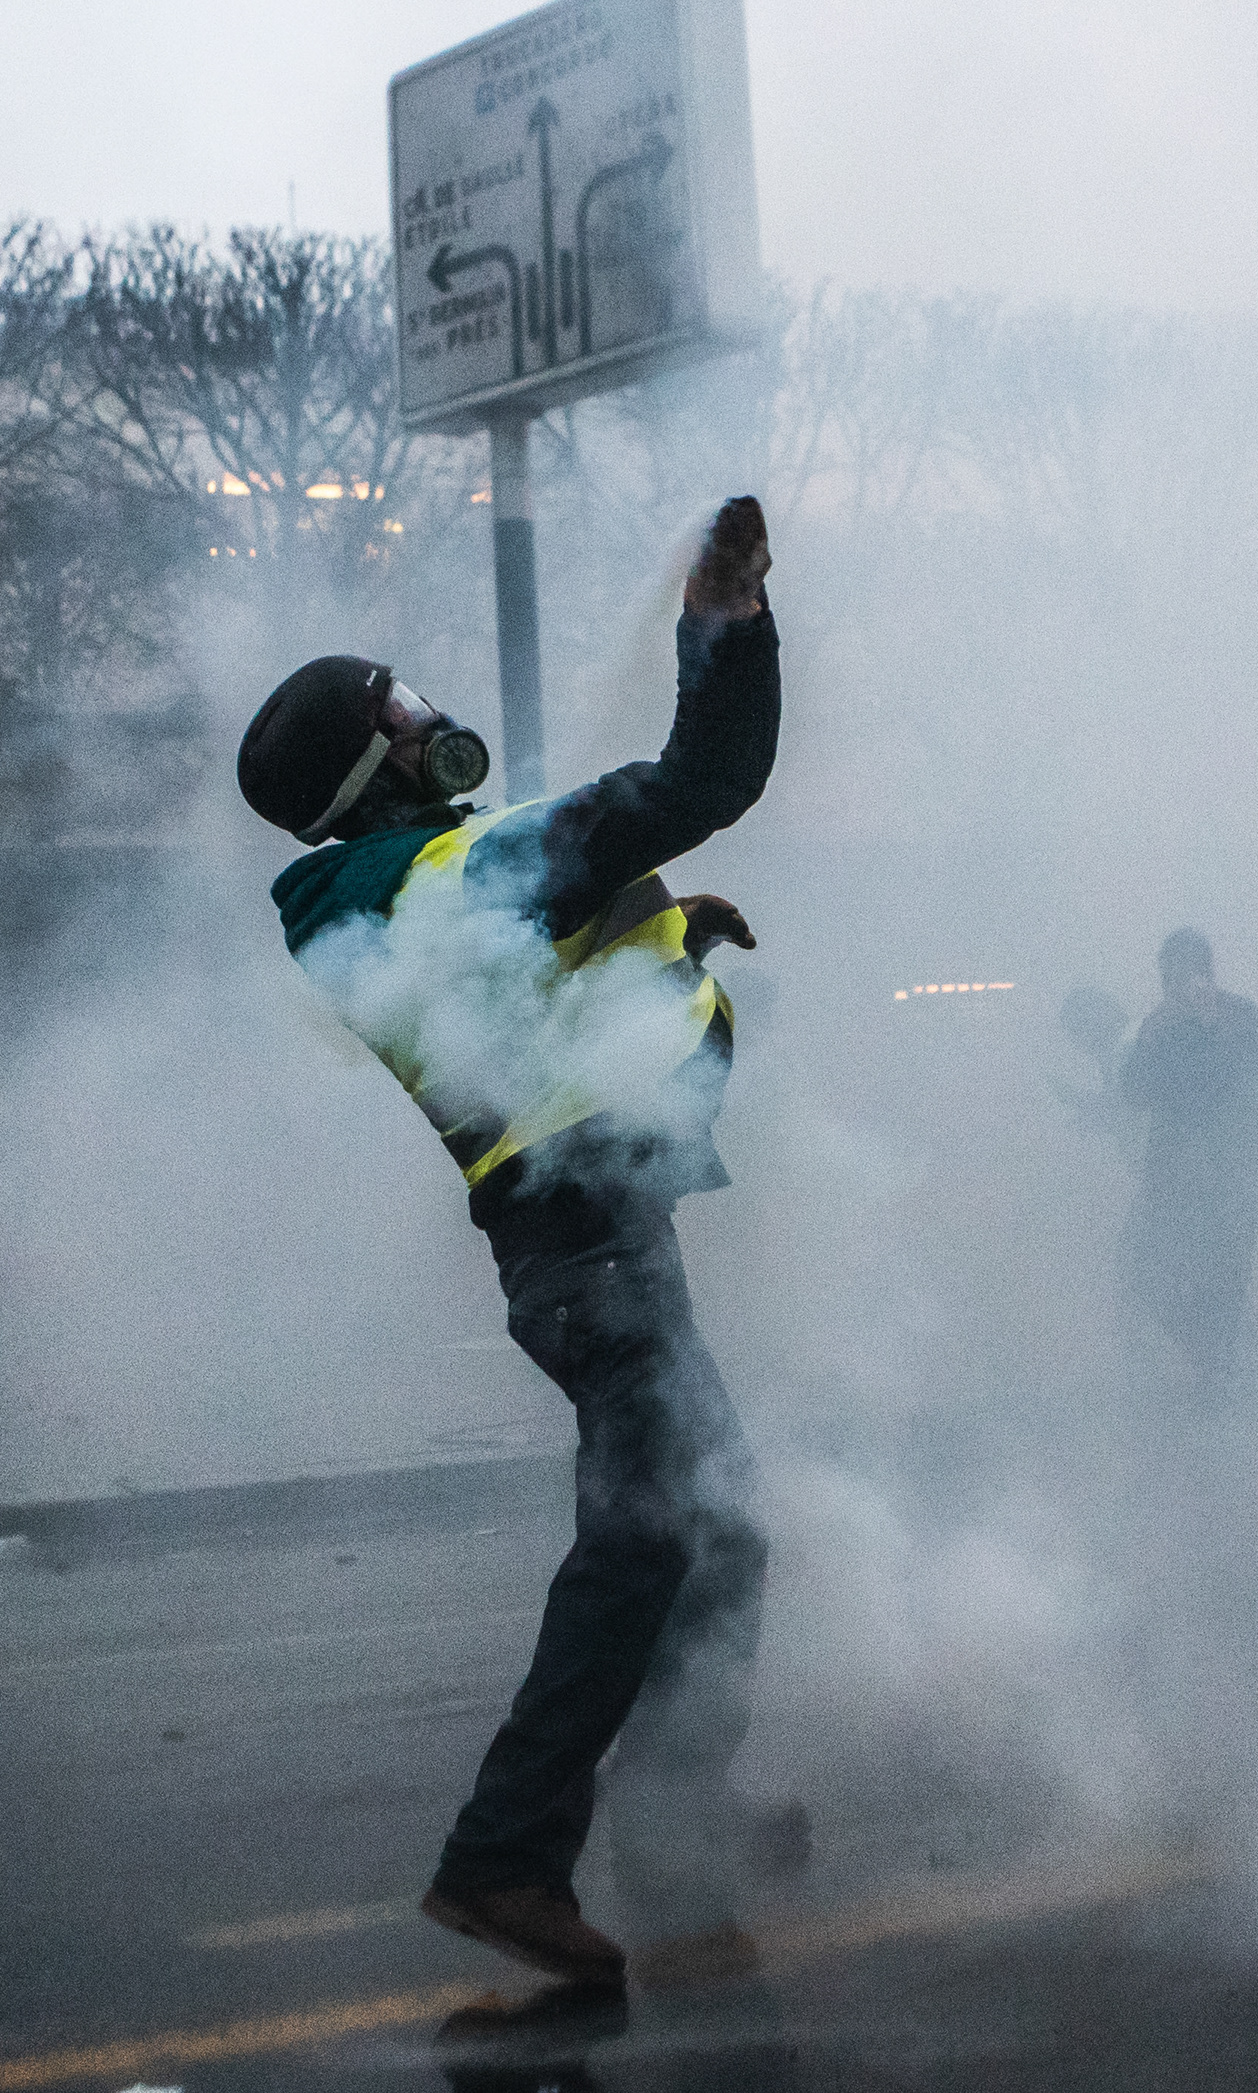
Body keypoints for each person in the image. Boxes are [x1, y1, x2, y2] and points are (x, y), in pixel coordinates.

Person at [236, 498, 779, 1997]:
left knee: (716, 1526)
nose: (430, 718)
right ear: (376, 756)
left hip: (590, 1249)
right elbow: (705, 775)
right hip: (589, 1251)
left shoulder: (400, 897)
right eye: (398, 709)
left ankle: (673, 1808)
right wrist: (721, 625)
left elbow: (542, 996)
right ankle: (504, 1860)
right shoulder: (443, 880)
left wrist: (674, 930)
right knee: (649, 1541)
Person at [1117, 928, 1258, 1379]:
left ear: (1208, 971)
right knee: (1142, 1268)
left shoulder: (1240, 1017)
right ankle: (1213, 1357)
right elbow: (1134, 1092)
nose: (1180, 984)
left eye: (1189, 972)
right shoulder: (1159, 1026)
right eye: (1171, 976)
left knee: (1222, 1275)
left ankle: (1222, 1373)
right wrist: (1150, 1037)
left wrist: (1209, 1026)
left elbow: (1246, 1079)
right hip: (1173, 1170)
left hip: (1233, 1167)